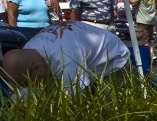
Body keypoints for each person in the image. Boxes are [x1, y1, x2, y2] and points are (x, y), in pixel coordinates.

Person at [0, 21, 129, 91]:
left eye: (27, 82)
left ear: (36, 67)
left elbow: (73, 102)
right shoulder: (29, 49)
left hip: (114, 61)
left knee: (108, 111)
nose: (30, 86)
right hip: (87, 55)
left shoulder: (65, 58)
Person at [132, 0, 157, 68]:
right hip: (151, 19)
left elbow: (133, 3)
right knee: (149, 40)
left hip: (142, 20)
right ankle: (152, 55)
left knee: (144, 42)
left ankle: (146, 61)